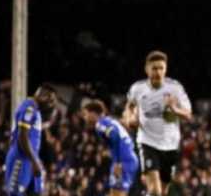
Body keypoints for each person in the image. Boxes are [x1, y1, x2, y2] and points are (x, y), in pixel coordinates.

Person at [124, 50, 192, 196]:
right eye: (154, 68)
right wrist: (130, 119)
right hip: (148, 143)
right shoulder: (137, 88)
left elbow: (188, 114)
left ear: (165, 69)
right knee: (155, 191)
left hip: (170, 145)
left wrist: (174, 109)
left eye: (161, 68)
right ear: (147, 69)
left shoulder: (175, 88)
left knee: (163, 192)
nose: (158, 72)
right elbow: (129, 107)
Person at [4, 84, 58, 195]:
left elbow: (30, 130)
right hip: (21, 158)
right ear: (44, 96)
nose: (51, 104)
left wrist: (46, 125)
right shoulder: (29, 107)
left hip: (29, 159)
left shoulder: (35, 110)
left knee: (36, 192)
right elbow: (22, 136)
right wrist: (34, 161)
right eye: (51, 100)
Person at [81, 99, 139, 196]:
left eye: (86, 114)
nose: (85, 117)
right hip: (128, 159)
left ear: (93, 113)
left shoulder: (100, 124)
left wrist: (118, 162)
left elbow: (114, 136)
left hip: (123, 161)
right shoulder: (109, 121)